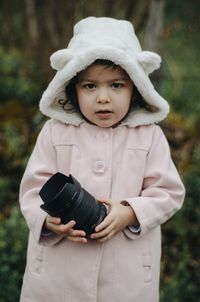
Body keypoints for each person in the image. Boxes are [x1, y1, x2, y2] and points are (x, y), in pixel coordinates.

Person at [19, 17, 185, 302]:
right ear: (72, 88)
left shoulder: (148, 136)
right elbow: (33, 190)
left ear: (136, 88)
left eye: (117, 85)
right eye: (90, 86)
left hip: (125, 280)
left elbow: (168, 192)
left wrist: (130, 212)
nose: (104, 98)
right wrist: (47, 220)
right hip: (58, 277)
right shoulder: (55, 132)